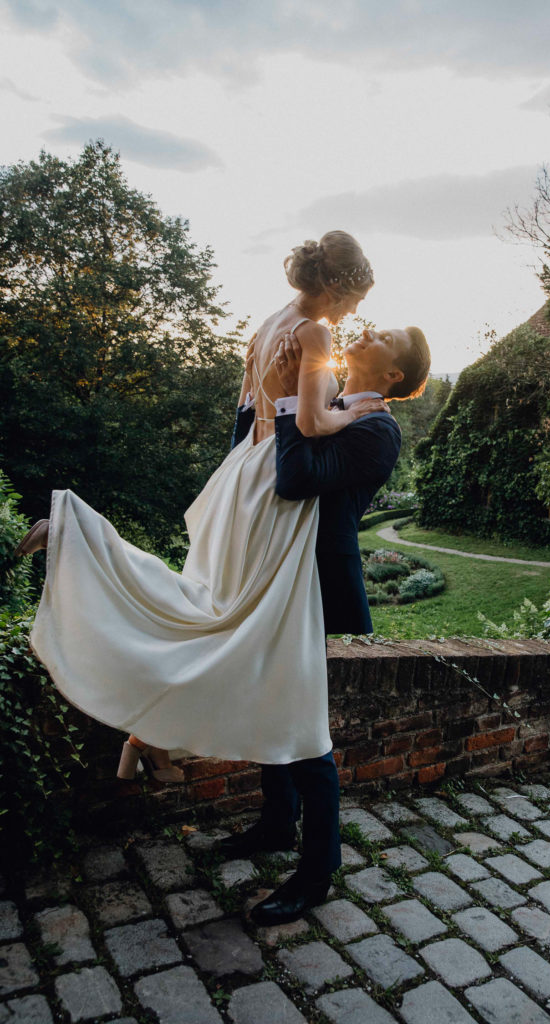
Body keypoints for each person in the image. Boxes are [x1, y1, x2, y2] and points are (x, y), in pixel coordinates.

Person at [15, 231, 380, 776]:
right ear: (335, 284)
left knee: (206, 607)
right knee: (228, 625)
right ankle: (76, 534)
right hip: (271, 481)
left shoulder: (270, 323)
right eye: (356, 296)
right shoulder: (315, 335)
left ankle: (148, 735)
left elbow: (245, 407)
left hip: (240, 473)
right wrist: (350, 412)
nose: (355, 308)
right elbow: (308, 424)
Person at [226, 322, 431, 926]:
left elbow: (295, 481)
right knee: (272, 701)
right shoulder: (326, 407)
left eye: (384, 335)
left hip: (311, 584)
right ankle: (274, 825)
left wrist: (292, 395)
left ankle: (317, 872)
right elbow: (255, 460)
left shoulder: (377, 430)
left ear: (393, 375)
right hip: (272, 573)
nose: (367, 329)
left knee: (302, 721)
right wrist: (257, 389)